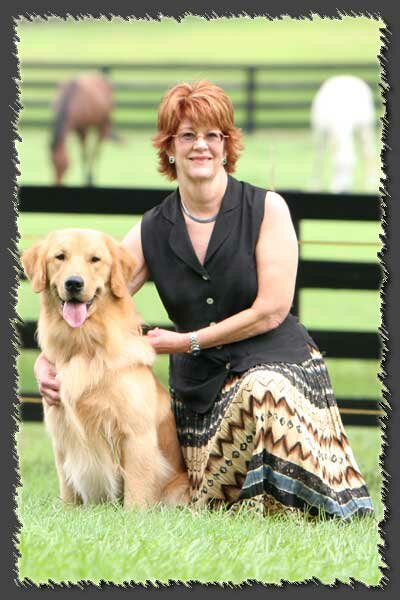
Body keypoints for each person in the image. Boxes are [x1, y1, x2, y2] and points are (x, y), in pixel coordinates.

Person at [34, 80, 374, 519]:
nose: (202, 146)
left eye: (213, 136)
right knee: (201, 502)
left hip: (277, 364)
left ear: (227, 146)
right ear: (169, 148)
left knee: (263, 388)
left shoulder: (267, 209)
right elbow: (90, 291)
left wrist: (187, 341)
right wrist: (49, 361)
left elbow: (272, 309)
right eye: (188, 135)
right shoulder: (153, 228)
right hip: (202, 391)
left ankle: (300, 499)